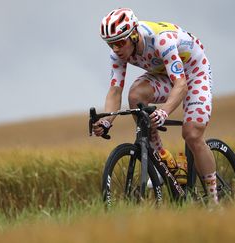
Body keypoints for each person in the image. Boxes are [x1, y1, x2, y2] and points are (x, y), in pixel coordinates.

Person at [92, 8, 218, 204]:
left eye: (119, 42)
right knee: (135, 96)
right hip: (165, 74)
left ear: (134, 35)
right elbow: (116, 90)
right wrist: (107, 120)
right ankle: (161, 157)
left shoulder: (161, 40)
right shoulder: (117, 54)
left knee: (192, 135)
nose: (115, 49)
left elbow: (181, 85)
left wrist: (164, 111)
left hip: (193, 73)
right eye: (110, 44)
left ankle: (214, 202)